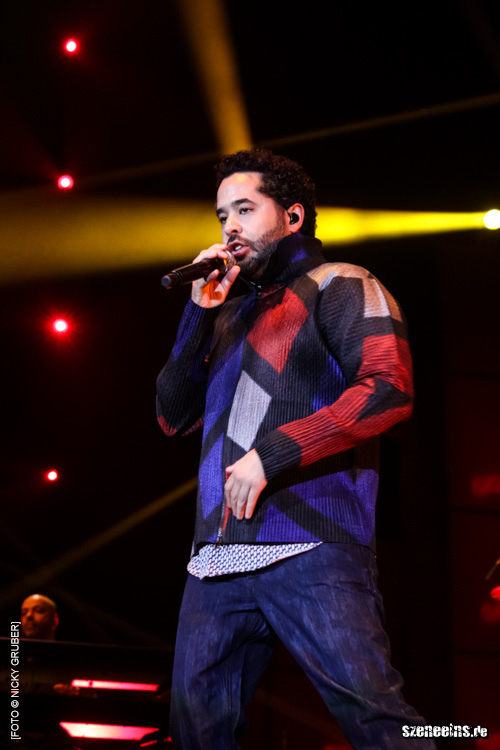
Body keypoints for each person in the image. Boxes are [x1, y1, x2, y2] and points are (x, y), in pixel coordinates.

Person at [156, 149, 435, 749]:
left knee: (378, 719)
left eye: (245, 209)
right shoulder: (228, 315)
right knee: (195, 732)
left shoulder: (344, 283)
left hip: (312, 542)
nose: (229, 227)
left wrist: (274, 453)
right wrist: (197, 315)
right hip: (218, 556)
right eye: (222, 215)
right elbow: (172, 416)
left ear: (292, 216)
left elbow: (388, 389)